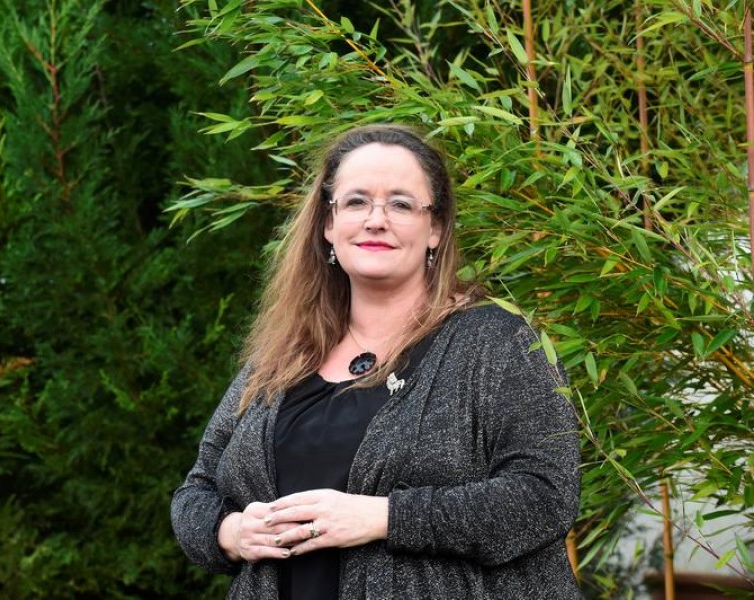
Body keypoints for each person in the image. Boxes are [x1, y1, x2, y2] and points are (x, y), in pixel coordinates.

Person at [171, 124, 582, 599]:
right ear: (328, 224)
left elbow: (545, 497)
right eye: (356, 202)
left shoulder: (500, 342)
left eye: (401, 205)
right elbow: (196, 491)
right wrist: (231, 533)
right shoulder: (286, 355)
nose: (375, 220)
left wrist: (384, 518)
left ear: (436, 228)